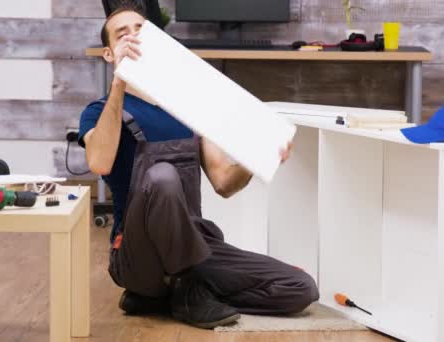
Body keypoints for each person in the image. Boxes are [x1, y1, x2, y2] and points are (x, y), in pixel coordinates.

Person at [78, 5, 319, 329]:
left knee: (300, 289)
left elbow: (224, 183)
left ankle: (173, 292)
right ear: (108, 54)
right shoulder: (99, 111)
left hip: (196, 243)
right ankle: (183, 285)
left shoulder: (190, 107)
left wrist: (255, 159)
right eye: (123, 35)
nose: (133, 38)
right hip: (137, 257)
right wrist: (119, 84)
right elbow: (99, 162)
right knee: (162, 176)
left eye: (140, 30)